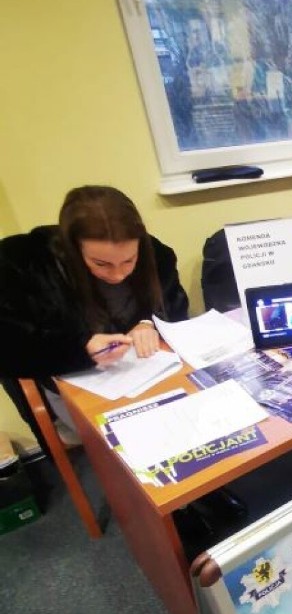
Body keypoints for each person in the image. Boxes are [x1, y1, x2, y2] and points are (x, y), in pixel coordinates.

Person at [0, 185, 189, 447]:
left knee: (185, 420)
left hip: (147, 372)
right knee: (142, 441)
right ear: (72, 248)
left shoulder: (155, 254)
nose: (118, 275)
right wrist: (81, 348)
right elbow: (10, 346)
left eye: (128, 261)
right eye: (101, 264)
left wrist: (147, 321)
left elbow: (173, 305)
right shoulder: (25, 266)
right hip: (76, 385)